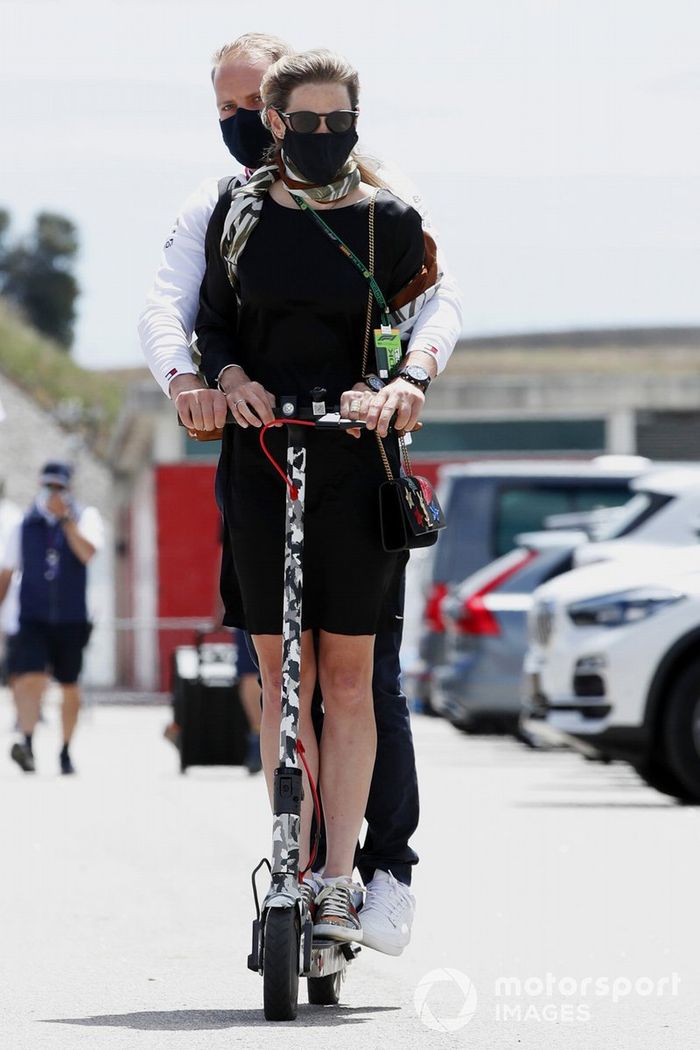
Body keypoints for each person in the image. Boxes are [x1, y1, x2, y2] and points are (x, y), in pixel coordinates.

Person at [139, 31, 462, 956]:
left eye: (338, 119)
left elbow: (429, 308)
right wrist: (206, 381)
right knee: (287, 683)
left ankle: (363, 877)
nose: (314, 133)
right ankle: (297, 857)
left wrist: (406, 383)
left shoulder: (389, 209)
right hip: (265, 457)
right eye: (238, 114)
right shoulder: (226, 213)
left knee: (363, 682)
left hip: (358, 460)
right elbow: (190, 318)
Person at [0, 462, 104, 775]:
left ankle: (65, 750)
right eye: (49, 486)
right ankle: (28, 743)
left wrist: (67, 522)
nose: (54, 493)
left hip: (71, 618)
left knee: (69, 686)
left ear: (69, 489)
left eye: (60, 487)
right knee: (31, 677)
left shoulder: (86, 517)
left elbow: (88, 553)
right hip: (34, 616)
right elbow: (7, 572)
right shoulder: (24, 524)